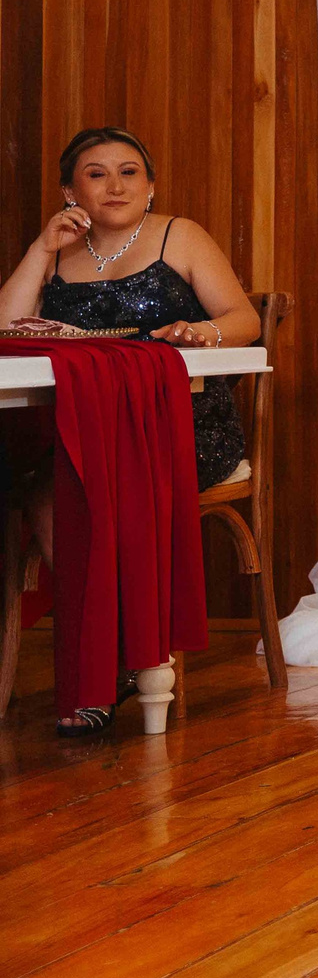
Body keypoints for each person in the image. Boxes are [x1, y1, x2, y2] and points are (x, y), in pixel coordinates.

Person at [0, 126, 259, 734]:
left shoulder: (179, 235)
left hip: (181, 427)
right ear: (70, 192)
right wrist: (40, 248)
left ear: (150, 185)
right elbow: (6, 327)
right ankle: (113, 655)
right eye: (96, 174)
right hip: (86, 429)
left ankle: (115, 660)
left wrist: (202, 333)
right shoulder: (57, 253)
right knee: (46, 484)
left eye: (129, 172)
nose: (114, 185)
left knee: (76, 481)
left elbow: (244, 319)